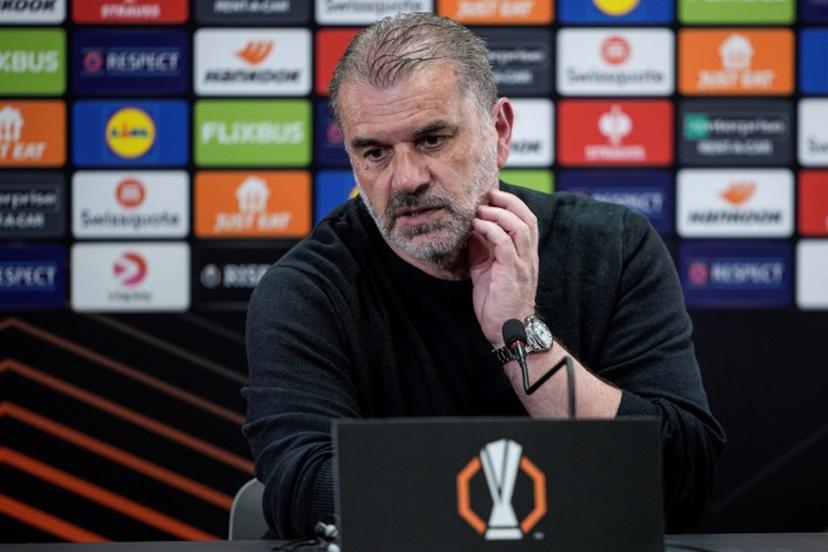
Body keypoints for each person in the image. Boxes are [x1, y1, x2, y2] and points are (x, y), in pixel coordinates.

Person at [243, 12, 725, 539]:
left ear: (499, 132)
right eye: (375, 152)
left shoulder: (612, 248)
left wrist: (518, 333)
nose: (405, 179)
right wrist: (538, 496)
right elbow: (302, 489)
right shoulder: (306, 289)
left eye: (432, 140)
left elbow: (680, 479)